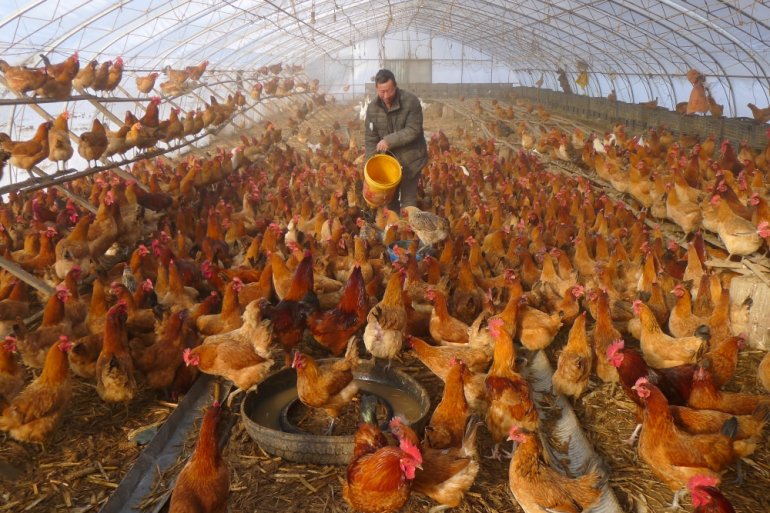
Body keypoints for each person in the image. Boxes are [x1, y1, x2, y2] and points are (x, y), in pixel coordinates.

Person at [364, 69, 428, 211]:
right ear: (376, 89)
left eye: (389, 91)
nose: (386, 96)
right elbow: (370, 139)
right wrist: (370, 164)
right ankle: (394, 229)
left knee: (408, 202)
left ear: (395, 86)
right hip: (389, 164)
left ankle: (408, 229)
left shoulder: (411, 102)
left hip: (411, 160)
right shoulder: (372, 108)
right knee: (389, 202)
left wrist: (388, 141)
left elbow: (414, 129)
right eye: (382, 92)